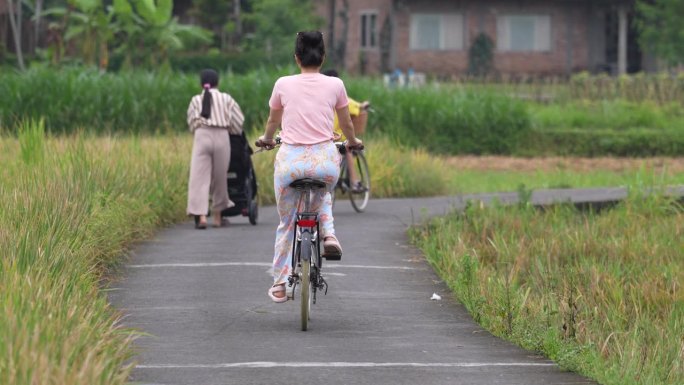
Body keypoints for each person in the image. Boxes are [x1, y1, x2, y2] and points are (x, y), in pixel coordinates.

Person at [256, 31, 362, 303]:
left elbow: (272, 122)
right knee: (323, 193)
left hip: (290, 164)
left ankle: (280, 284)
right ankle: (329, 235)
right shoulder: (335, 84)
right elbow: (347, 124)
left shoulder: (282, 84)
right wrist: (353, 141)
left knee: (286, 223)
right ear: (323, 57)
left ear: (296, 57)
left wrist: (267, 139)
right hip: (324, 162)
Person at [187, 69, 245, 229]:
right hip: (221, 136)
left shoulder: (195, 100)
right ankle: (218, 217)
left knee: (199, 177)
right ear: (217, 82)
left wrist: (199, 131)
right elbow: (238, 120)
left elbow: (191, 122)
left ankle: (202, 216)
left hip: (201, 136)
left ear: (201, 83)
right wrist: (234, 132)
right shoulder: (226, 98)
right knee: (220, 177)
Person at [322, 69, 369, 192]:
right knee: (348, 149)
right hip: (336, 139)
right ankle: (354, 182)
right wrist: (363, 105)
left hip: (320, 138)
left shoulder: (318, 98)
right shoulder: (341, 98)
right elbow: (355, 107)